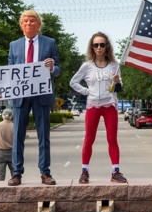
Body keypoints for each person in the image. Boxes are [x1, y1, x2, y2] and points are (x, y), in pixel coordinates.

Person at [7, 10, 61, 186]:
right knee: (18, 136)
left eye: (32, 21)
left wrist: (52, 67)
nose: (28, 23)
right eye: (25, 21)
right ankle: (16, 173)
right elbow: (9, 72)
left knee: (43, 135)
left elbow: (58, 70)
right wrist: (4, 89)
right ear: (21, 25)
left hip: (42, 95)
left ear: (38, 24)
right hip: (20, 96)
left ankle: (45, 172)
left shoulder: (49, 43)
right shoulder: (14, 45)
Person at [70, 32, 126, 184]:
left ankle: (115, 171)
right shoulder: (87, 66)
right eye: (96, 45)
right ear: (92, 47)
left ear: (107, 46)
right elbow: (73, 82)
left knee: (112, 139)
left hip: (109, 105)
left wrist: (117, 82)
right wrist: (88, 91)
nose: (99, 47)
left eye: (102, 44)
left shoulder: (115, 65)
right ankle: (84, 171)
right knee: (89, 138)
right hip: (93, 105)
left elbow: (118, 89)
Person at [0, 108, 14, 181]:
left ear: (3, 116)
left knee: (0, 175)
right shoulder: (15, 126)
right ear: (11, 116)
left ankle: (1, 190)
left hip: (0, 152)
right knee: (15, 174)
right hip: (12, 152)